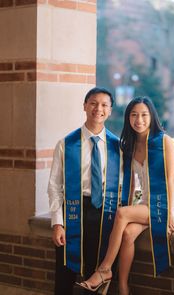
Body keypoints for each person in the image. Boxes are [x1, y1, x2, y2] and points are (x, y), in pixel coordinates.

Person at [78, 96, 174, 295]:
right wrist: (127, 206)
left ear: (152, 116)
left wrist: (168, 212)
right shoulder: (129, 144)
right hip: (147, 202)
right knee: (128, 234)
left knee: (122, 214)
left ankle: (104, 270)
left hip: (167, 202)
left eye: (144, 115)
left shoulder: (163, 141)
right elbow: (130, 184)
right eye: (134, 115)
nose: (139, 120)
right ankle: (123, 288)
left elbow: (170, 179)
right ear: (128, 118)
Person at [48, 87, 122, 295]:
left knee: (96, 274)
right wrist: (57, 223)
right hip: (73, 211)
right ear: (84, 106)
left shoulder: (118, 147)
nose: (98, 109)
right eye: (93, 103)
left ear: (110, 111)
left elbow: (129, 183)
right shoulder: (66, 144)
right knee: (65, 272)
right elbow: (54, 185)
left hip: (105, 213)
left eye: (104, 105)